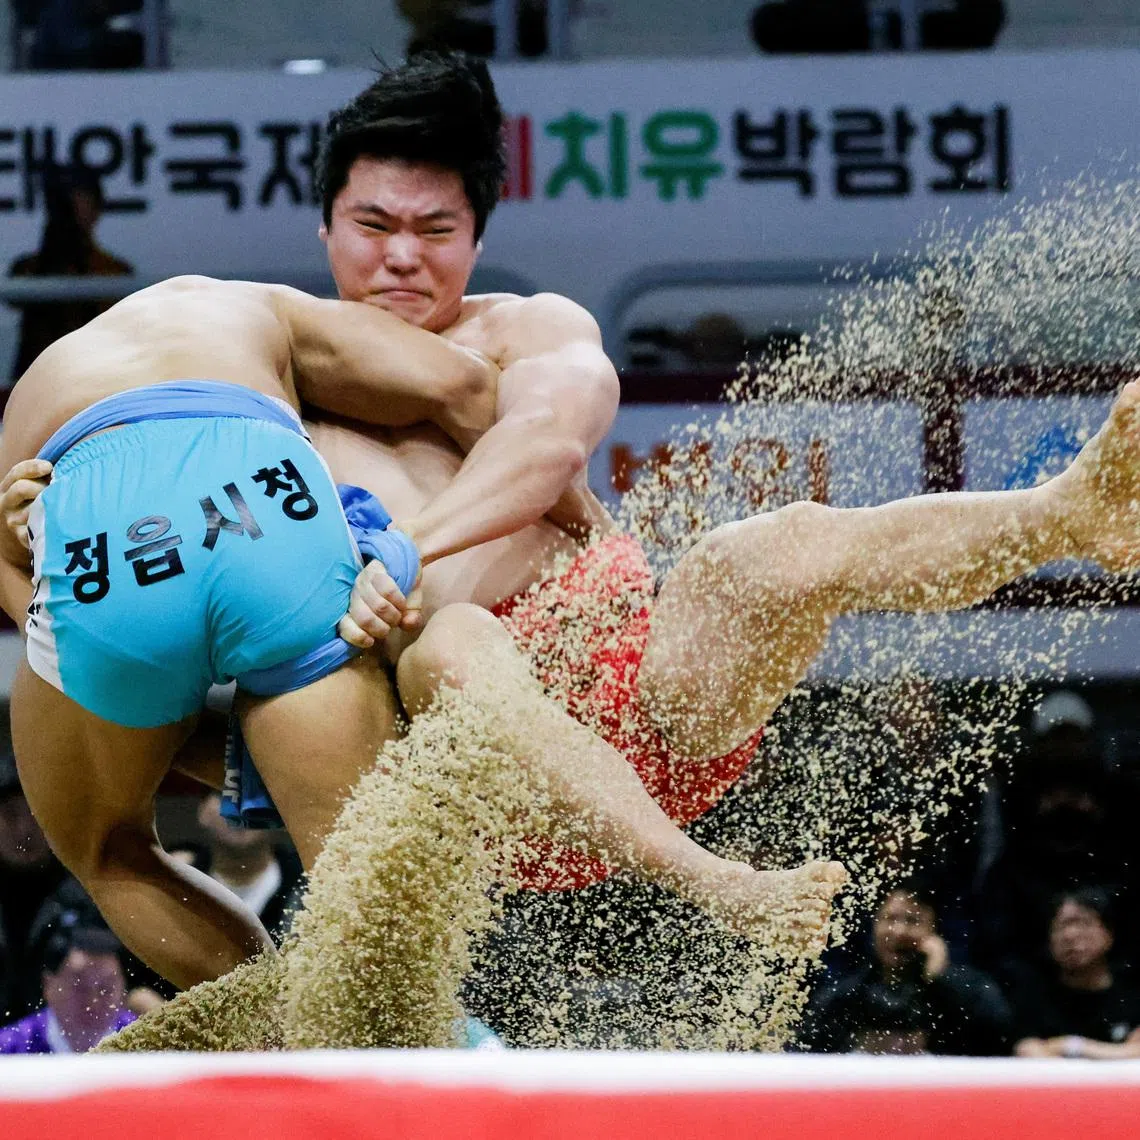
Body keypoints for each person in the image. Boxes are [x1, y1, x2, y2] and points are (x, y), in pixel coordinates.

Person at [0, 270, 504, 994]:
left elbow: (27, 598)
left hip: (90, 523)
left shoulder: (43, 379)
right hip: (265, 499)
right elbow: (465, 389)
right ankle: (388, 1057)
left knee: (108, 849)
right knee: (363, 886)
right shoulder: (257, 304)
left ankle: (268, 1039)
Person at [800, 877, 1011, 1055]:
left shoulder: (968, 988)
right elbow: (810, 1049)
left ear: (933, 929)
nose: (898, 931)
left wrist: (939, 978)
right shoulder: (845, 994)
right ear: (874, 925)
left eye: (912, 920)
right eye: (890, 918)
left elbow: (998, 1036)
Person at [7, 164, 133, 381]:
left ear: (97, 206)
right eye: (65, 198)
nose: (72, 205)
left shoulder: (114, 272)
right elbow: (15, 297)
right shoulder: (29, 269)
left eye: (81, 196)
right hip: (36, 384)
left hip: (96, 383)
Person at [1007, 888, 1140, 1060]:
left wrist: (1070, 1045)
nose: (1070, 935)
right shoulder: (1032, 996)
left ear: (1109, 934)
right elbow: (1027, 1050)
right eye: (1061, 926)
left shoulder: (1133, 996)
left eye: (1083, 923)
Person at [0, 923, 136, 1053]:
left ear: (124, 991)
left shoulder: (146, 1043)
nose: (92, 1002)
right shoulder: (8, 1048)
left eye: (106, 989)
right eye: (80, 988)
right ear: (48, 985)